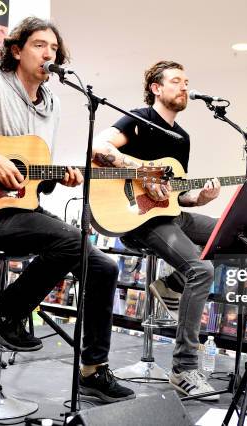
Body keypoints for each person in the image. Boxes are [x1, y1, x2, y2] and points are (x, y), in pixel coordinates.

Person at [0, 17, 134, 403]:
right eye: (39, 45)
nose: (48, 53)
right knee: (68, 240)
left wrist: (57, 178)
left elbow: (30, 178)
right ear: (16, 50)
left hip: (22, 210)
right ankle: (2, 313)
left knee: (105, 265)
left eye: (54, 48)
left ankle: (93, 370)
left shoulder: (53, 106)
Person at [93, 60, 221, 400]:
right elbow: (101, 149)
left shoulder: (182, 138)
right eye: (176, 81)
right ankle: (184, 370)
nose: (184, 87)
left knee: (234, 237)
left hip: (171, 216)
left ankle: (170, 287)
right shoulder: (137, 119)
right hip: (139, 219)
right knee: (201, 268)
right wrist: (143, 172)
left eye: (186, 82)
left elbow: (180, 196)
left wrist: (203, 196)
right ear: (156, 88)